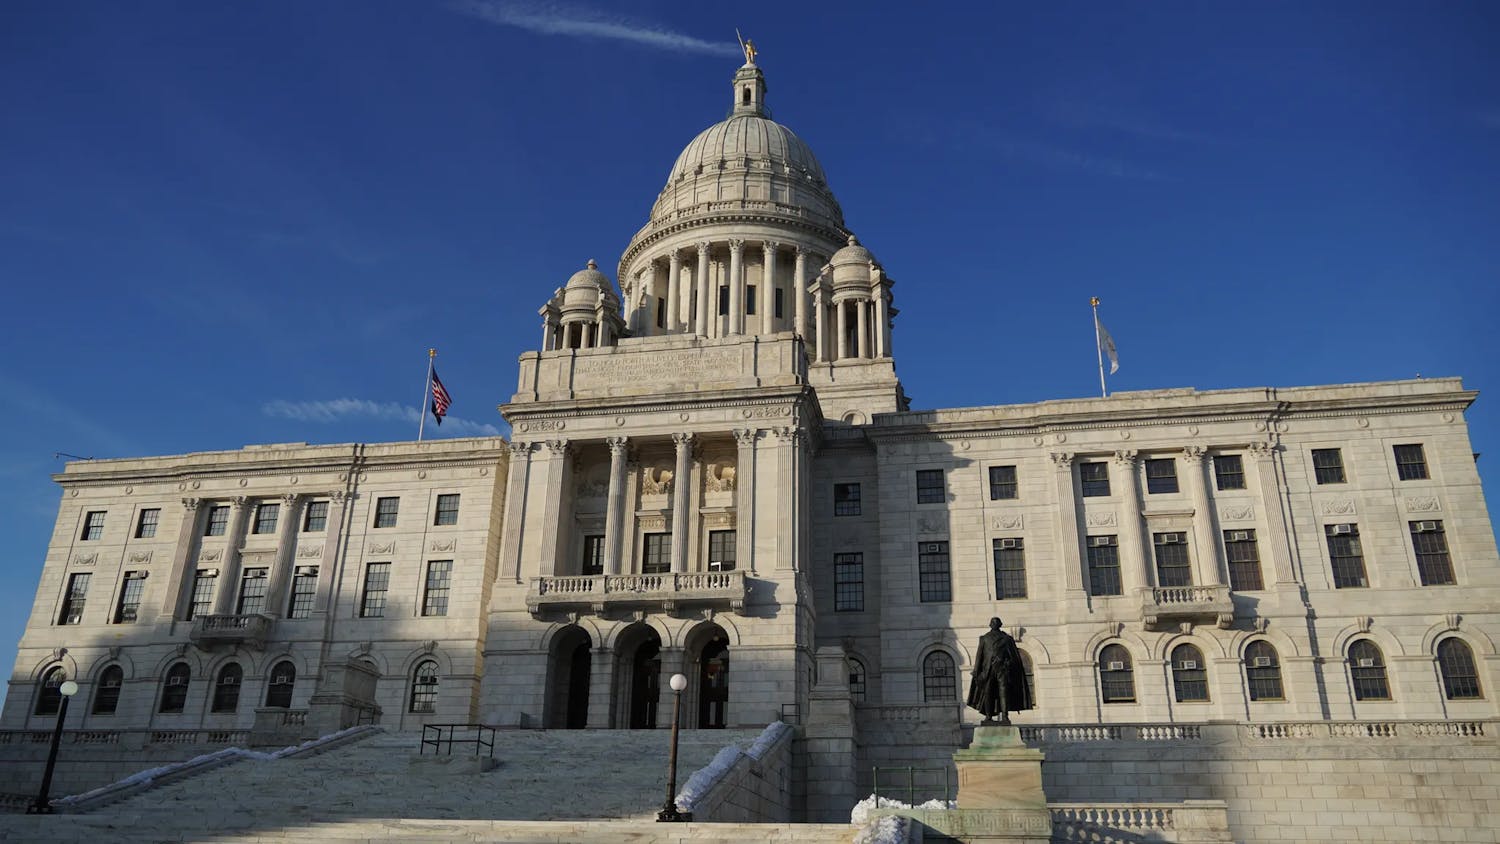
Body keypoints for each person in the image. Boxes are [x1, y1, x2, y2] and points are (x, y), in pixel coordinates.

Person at [966, 617, 1033, 725]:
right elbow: (979, 657)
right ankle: (988, 716)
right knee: (988, 693)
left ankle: (1005, 716)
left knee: (1004, 693)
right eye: (993, 622)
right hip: (988, 671)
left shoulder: (1007, 639)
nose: (994, 624)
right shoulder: (984, 638)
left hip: (1002, 670)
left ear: (1000, 624)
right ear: (990, 624)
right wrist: (976, 672)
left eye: (996, 622)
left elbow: (1014, 658)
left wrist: (1006, 662)